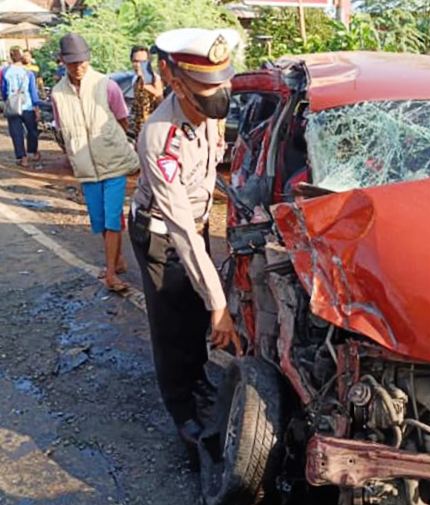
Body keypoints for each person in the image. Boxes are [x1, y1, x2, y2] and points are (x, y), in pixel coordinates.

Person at [129, 28, 243, 461]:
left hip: (195, 229)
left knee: (196, 314)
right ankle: (183, 416)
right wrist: (220, 303)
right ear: (172, 78)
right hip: (162, 235)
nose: (213, 102)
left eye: (219, 88)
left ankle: (199, 380)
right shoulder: (159, 138)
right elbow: (178, 227)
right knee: (172, 325)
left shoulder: (210, 110)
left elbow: (216, 171)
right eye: (203, 94)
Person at [52, 33, 138, 292]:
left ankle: (111, 272)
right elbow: (61, 130)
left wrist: (113, 141)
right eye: (72, 62)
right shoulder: (57, 94)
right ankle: (118, 260)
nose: (78, 67)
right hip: (86, 167)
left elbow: (123, 120)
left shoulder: (106, 85)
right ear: (62, 62)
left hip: (112, 161)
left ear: (88, 60)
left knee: (112, 218)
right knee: (100, 220)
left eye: (82, 61)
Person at [2, 46, 41, 168]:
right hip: (28, 106)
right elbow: (33, 92)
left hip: (13, 106)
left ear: (11, 56)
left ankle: (22, 157)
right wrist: (36, 107)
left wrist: (7, 100)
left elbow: (3, 90)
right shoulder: (28, 72)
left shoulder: (5, 72)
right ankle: (32, 152)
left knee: (16, 132)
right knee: (32, 130)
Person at [129, 45, 163, 140]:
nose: (138, 65)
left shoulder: (154, 79)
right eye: (135, 61)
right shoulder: (135, 79)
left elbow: (161, 101)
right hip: (138, 128)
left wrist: (146, 85)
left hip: (153, 128)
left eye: (143, 62)